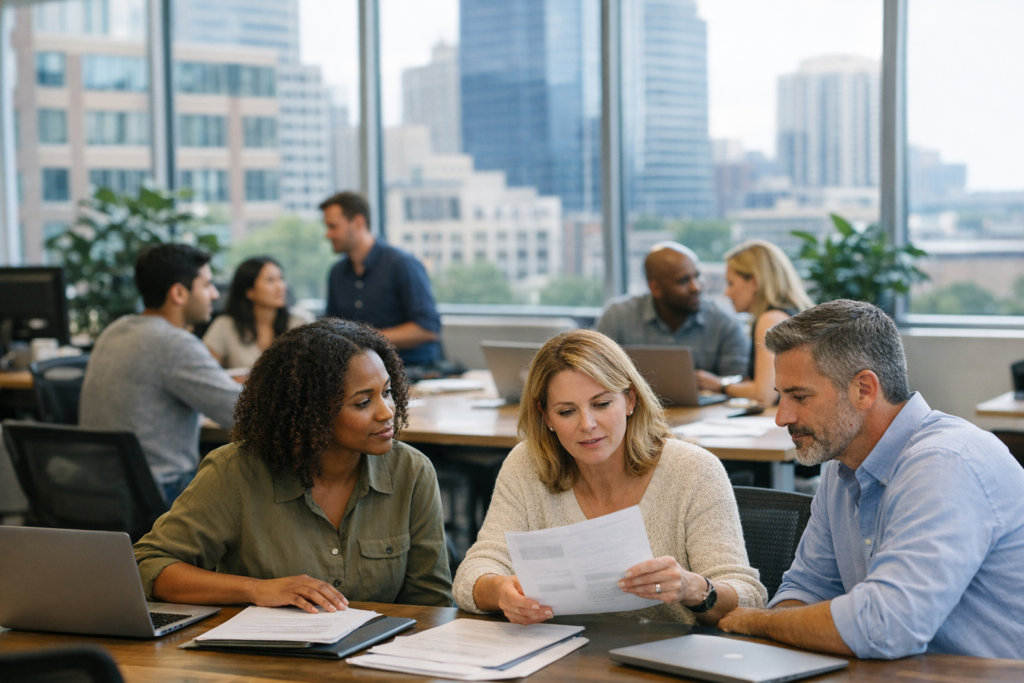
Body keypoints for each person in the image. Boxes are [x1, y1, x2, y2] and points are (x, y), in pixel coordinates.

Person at [717, 300, 1024, 660]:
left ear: (864, 389)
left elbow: (885, 626)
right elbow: (807, 589)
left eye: (800, 396)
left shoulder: (944, 464)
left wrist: (758, 622)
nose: (782, 417)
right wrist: (784, 625)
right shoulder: (840, 465)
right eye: (781, 396)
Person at [133, 319, 453, 611]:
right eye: (363, 402)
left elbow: (432, 603)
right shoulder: (234, 472)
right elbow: (149, 564)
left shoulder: (412, 472)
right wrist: (255, 589)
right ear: (310, 412)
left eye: (387, 392)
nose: (387, 413)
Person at [452, 329, 766, 625]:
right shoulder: (526, 465)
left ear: (630, 400)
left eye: (601, 404)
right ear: (545, 416)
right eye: (566, 411)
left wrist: (691, 588)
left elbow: (748, 599)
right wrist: (499, 591)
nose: (587, 424)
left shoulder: (694, 470)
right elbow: (474, 572)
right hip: (560, 660)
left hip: (668, 663)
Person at [80, 244, 241, 504]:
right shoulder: (174, 343)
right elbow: (242, 412)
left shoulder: (115, 330)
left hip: (99, 491)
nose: (213, 294)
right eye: (206, 285)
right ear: (178, 293)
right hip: (160, 491)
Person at [322, 191, 442, 366]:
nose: (328, 234)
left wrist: (363, 339)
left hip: (410, 372)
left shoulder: (402, 264)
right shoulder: (337, 272)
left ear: (358, 222)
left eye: (333, 226)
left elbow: (428, 329)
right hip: (360, 377)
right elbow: (331, 330)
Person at [596, 241, 749, 377]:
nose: (696, 287)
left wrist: (717, 385)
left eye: (697, 276)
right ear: (655, 288)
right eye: (683, 281)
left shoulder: (724, 322)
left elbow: (737, 382)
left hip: (710, 409)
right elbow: (597, 372)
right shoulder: (617, 316)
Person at [696, 240, 813, 404]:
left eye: (731, 283)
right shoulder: (789, 315)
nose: (727, 293)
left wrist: (719, 385)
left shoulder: (770, 319)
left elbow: (764, 394)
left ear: (754, 282)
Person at [203, 256, 312, 369]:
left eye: (281, 279)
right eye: (270, 280)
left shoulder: (301, 323)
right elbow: (206, 373)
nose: (280, 286)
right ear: (249, 291)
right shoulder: (224, 325)